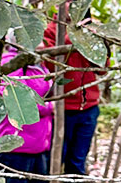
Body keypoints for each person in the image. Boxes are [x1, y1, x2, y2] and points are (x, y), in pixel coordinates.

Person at [42, 17, 107, 175]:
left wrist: (97, 39)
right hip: (61, 109)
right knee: (55, 159)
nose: (73, 3)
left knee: (78, 161)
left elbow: (102, 68)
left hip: (89, 107)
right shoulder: (50, 31)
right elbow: (49, 65)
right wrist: (73, 37)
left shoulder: (90, 29)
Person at [0, 32, 53, 183]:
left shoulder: (37, 65)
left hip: (38, 145)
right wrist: (50, 107)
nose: (42, 44)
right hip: (14, 147)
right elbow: (17, 103)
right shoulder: (8, 65)